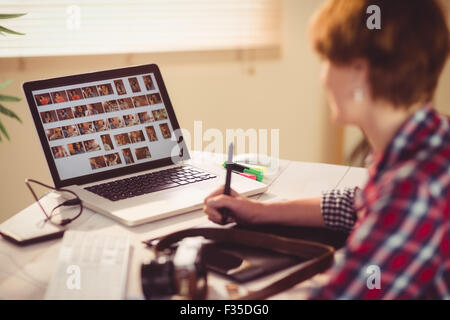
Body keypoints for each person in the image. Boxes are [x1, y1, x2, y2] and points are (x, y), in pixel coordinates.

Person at [203, 0, 450, 299]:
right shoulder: (432, 137)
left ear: (360, 71)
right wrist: (258, 212)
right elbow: (357, 205)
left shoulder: (412, 188)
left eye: (328, 62)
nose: (324, 77)